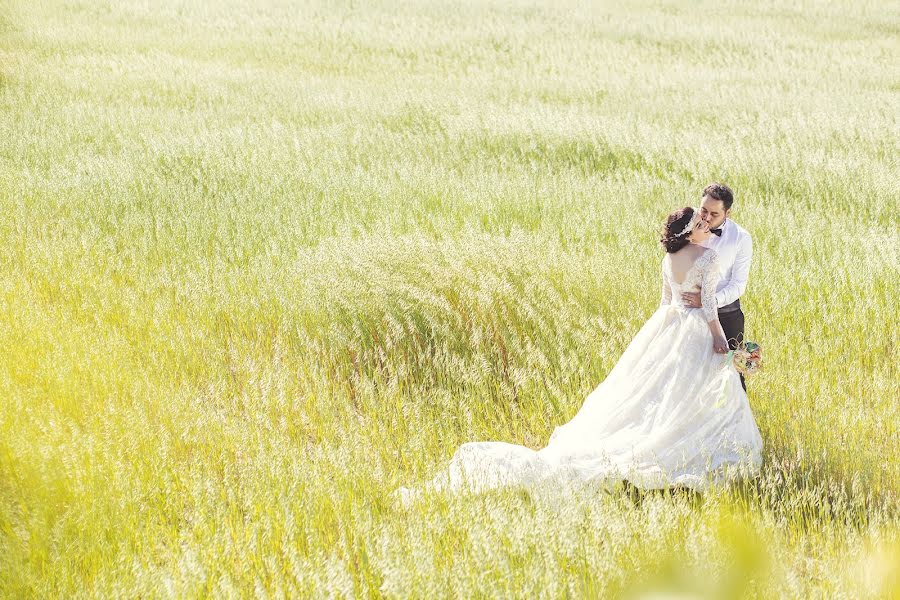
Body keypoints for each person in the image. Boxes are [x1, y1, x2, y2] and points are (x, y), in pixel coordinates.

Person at [393, 207, 763, 504]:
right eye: (701, 220)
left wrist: (664, 330)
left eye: (708, 219)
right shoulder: (708, 259)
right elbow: (710, 305)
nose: (706, 224)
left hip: (667, 326)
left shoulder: (669, 259)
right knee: (700, 389)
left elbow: (666, 302)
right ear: (690, 231)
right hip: (698, 327)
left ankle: (665, 432)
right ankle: (686, 443)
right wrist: (718, 339)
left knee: (654, 389)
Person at [680, 183, 752, 391]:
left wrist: (708, 301)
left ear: (727, 213)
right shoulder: (687, 224)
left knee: (732, 376)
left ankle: (738, 422)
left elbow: (738, 285)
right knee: (692, 374)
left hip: (726, 315)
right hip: (691, 314)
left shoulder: (741, 238)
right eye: (703, 210)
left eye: (714, 213)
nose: (707, 218)